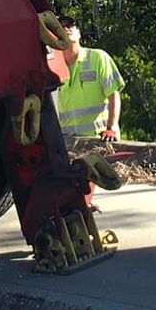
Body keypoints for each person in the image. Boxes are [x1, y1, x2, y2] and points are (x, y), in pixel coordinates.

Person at [49, 15, 125, 190]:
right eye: (62, 27)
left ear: (79, 33)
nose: (67, 29)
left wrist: (112, 127)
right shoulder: (52, 68)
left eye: (71, 26)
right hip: (69, 145)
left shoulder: (98, 58)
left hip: (100, 140)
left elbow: (114, 95)